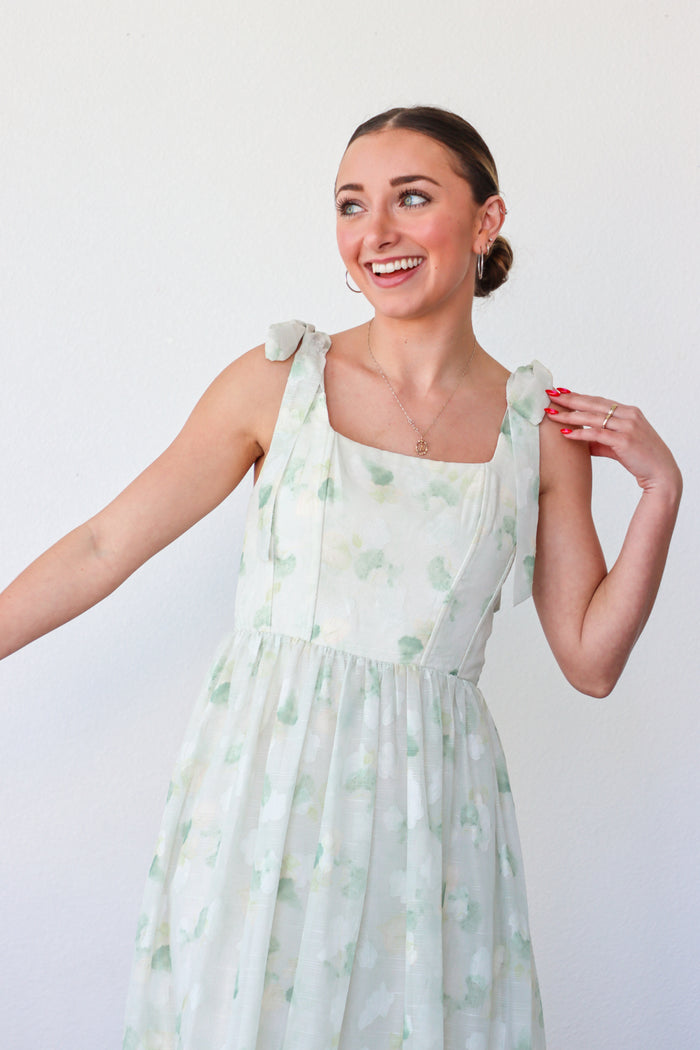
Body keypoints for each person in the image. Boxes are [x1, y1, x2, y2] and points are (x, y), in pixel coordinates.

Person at [0, 106, 681, 1050]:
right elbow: (104, 545)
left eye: (413, 197)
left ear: (486, 223)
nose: (377, 233)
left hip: (432, 816)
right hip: (263, 797)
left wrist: (661, 491)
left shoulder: (542, 428)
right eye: (352, 205)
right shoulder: (278, 381)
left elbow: (592, 660)